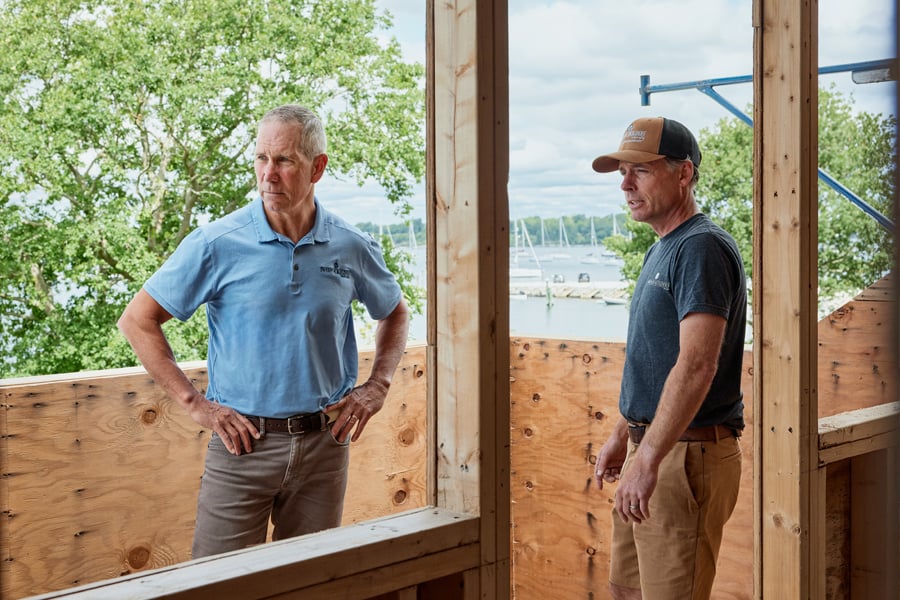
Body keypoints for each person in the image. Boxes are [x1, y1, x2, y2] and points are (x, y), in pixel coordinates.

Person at [117, 104, 409, 558]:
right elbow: (137, 320)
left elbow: (393, 311)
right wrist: (196, 404)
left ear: (318, 167)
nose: (268, 174)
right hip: (242, 448)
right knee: (215, 587)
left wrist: (379, 385)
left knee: (312, 585)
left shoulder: (350, 245)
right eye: (261, 158)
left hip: (324, 447)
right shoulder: (216, 243)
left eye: (285, 160)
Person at [591, 117, 747, 600]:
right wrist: (625, 434)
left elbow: (698, 365)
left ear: (684, 174)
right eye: (622, 171)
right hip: (655, 448)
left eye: (640, 170)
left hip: (685, 456)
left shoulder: (701, 247)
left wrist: (649, 457)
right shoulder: (664, 248)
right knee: (626, 593)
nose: (625, 183)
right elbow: (659, 361)